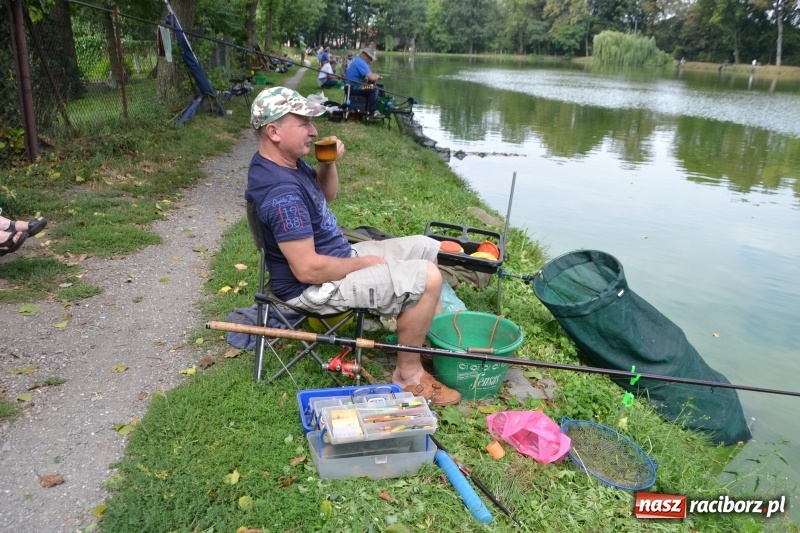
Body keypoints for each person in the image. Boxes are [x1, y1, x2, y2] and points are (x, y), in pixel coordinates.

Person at [245, 87, 460, 406]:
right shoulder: (281, 193)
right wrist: (363, 264)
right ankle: (408, 376)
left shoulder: (285, 162)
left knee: (427, 246)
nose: (314, 130)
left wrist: (327, 164)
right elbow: (307, 270)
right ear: (274, 131)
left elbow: (325, 196)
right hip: (317, 285)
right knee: (427, 277)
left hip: (338, 259)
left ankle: (420, 344)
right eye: (303, 122)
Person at [343, 48, 383, 118]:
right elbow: (372, 77)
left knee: (378, 87)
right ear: (366, 55)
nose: (370, 61)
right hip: (353, 87)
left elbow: (367, 76)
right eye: (370, 59)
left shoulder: (356, 59)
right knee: (374, 88)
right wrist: (379, 76)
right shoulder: (361, 62)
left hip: (349, 87)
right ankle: (372, 112)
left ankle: (373, 108)